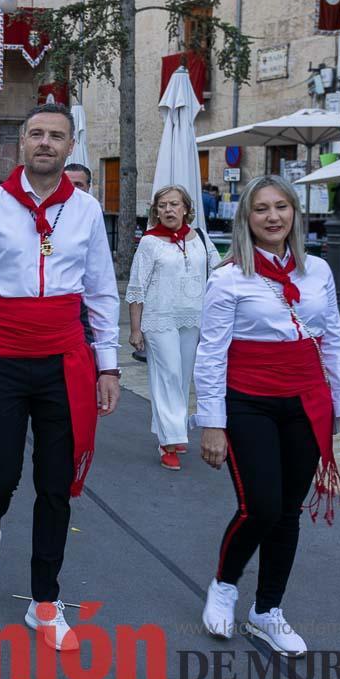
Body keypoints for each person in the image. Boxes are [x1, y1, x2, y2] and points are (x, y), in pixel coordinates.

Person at [0, 103, 120, 651]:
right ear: (21, 143)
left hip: (64, 360)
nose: (46, 143)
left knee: (55, 483)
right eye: (37, 133)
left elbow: (101, 289)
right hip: (1, 356)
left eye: (56, 136)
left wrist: (108, 363)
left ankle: (44, 600)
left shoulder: (86, 209)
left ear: (70, 147)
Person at [194, 174, 340, 656]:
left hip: (307, 401)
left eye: (281, 207)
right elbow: (211, 354)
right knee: (261, 506)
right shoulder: (228, 277)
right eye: (261, 209)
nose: (273, 217)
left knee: (288, 511)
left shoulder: (319, 271)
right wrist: (212, 423)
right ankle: (224, 584)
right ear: (246, 218)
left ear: (295, 212)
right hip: (247, 401)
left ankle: (267, 610)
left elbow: (333, 340)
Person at [126, 185, 220, 470]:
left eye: (174, 204)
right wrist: (135, 328)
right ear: (156, 211)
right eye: (162, 205)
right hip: (159, 318)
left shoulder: (200, 237)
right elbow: (137, 286)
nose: (168, 210)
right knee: (168, 375)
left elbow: (218, 271)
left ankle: (173, 429)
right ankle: (169, 441)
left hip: (192, 317)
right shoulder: (149, 242)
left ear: (185, 208)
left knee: (182, 377)